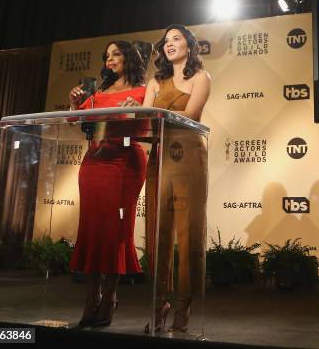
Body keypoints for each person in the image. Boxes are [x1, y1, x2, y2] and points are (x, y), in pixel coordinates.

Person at [68, 40, 147, 327]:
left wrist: (136, 110)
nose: (110, 59)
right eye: (107, 55)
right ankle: (91, 297)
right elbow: (79, 120)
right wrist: (75, 103)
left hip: (124, 163)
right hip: (93, 164)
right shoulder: (99, 90)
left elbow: (145, 127)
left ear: (128, 57)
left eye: (116, 54)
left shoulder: (142, 90)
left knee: (114, 230)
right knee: (91, 229)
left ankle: (110, 296)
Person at [142, 24, 211, 333]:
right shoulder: (155, 82)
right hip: (159, 158)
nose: (169, 44)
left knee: (188, 231)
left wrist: (157, 114)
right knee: (158, 232)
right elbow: (145, 122)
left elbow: (191, 116)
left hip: (188, 157)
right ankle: (158, 304)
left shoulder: (201, 77)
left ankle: (183, 307)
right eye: (166, 40)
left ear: (189, 45)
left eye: (176, 38)